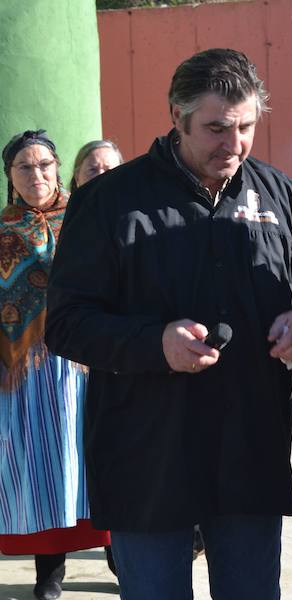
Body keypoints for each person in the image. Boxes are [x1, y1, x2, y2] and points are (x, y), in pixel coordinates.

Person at [44, 48, 292, 599]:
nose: (235, 144)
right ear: (176, 116)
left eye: (247, 126)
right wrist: (155, 344)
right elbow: (66, 324)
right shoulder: (108, 201)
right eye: (217, 128)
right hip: (146, 455)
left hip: (250, 450)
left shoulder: (283, 195)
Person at [0, 130, 110, 600]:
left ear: (58, 168)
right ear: (10, 176)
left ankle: (120, 557)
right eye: (24, 167)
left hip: (86, 365)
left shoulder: (86, 220)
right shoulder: (3, 231)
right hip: (28, 373)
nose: (36, 174)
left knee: (98, 463)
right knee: (49, 470)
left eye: (44, 164)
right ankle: (50, 572)